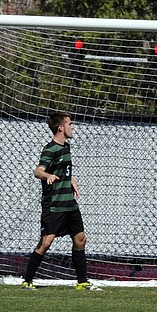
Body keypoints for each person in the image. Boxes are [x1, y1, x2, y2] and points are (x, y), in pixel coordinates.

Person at [23, 112, 100, 291]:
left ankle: (82, 282)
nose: (72, 127)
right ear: (60, 128)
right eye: (70, 124)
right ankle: (27, 281)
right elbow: (38, 171)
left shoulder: (67, 147)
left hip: (70, 204)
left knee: (80, 240)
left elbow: (65, 171)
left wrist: (71, 180)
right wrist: (48, 175)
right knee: (46, 243)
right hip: (54, 204)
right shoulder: (50, 149)